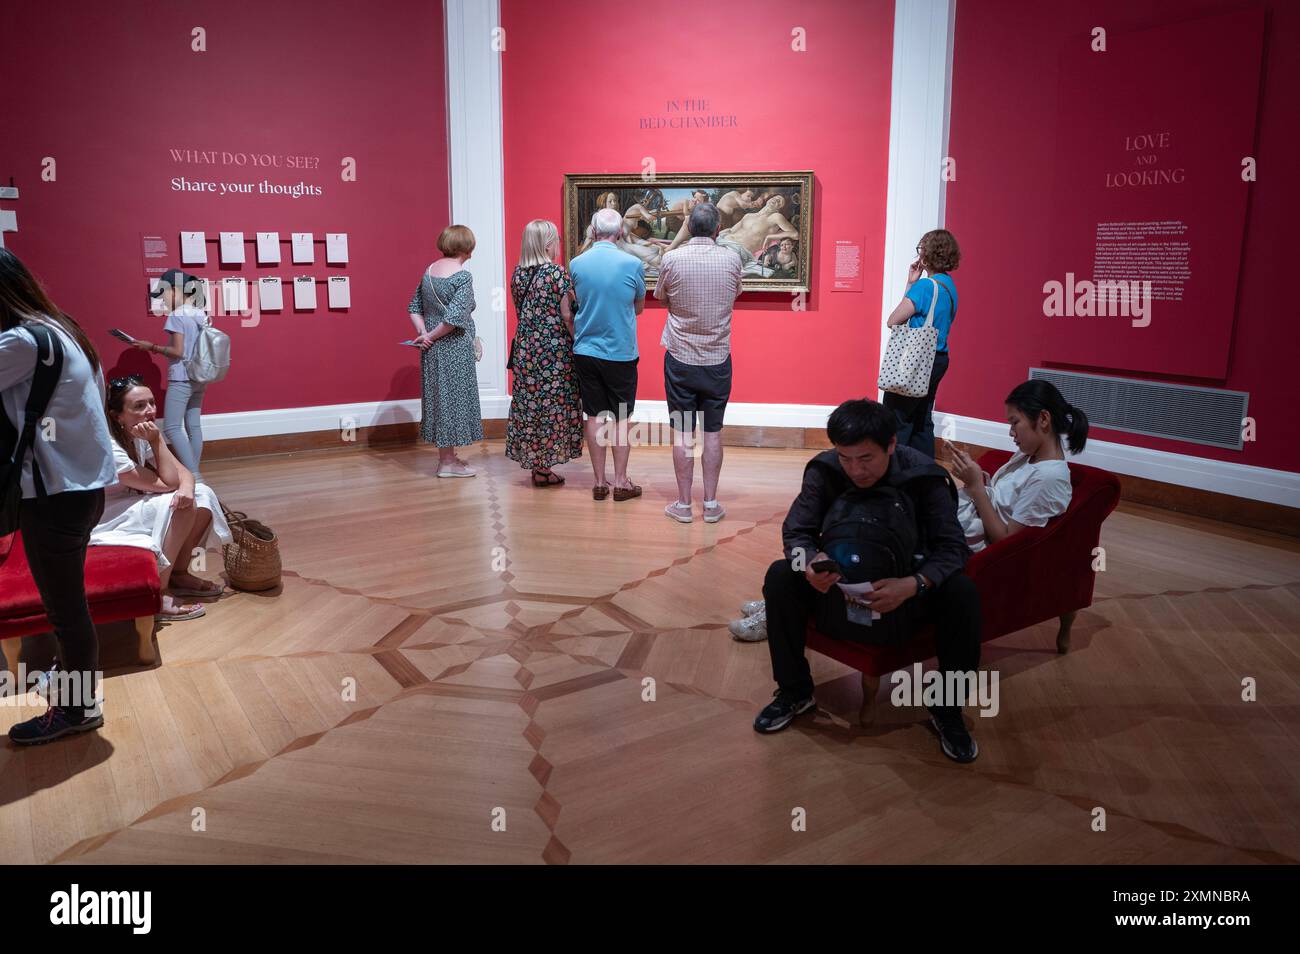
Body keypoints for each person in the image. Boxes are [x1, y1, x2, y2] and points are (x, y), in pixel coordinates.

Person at [752, 398, 982, 764]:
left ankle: (947, 709)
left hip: (905, 596)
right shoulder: (826, 471)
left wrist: (915, 584)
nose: (855, 470)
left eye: (866, 458)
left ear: (891, 444)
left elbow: (953, 550)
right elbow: (796, 533)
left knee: (962, 592)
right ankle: (795, 692)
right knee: (781, 575)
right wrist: (809, 562)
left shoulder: (924, 477)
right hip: (836, 591)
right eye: (845, 457)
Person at [0, 248, 118, 745]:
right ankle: (72, 688)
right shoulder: (62, 328)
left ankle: (78, 710)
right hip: (81, 490)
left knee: (65, 610)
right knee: (68, 604)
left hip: (52, 495)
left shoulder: (21, 342)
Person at [95, 377, 230, 618]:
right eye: (139, 406)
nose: (149, 411)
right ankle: (160, 591)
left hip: (132, 501)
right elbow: (167, 483)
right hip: (106, 514)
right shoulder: (110, 445)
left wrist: (187, 488)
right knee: (180, 505)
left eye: (151, 403)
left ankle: (179, 573)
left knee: (203, 494)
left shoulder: (138, 433)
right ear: (118, 416)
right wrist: (157, 441)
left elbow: (183, 473)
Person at [655, 202, 742, 524]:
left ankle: (682, 504)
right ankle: (710, 504)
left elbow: (661, 297)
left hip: (680, 357)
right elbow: (736, 293)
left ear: (689, 227)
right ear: (718, 229)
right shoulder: (732, 258)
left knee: (681, 432)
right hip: (717, 358)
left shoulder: (673, 258)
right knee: (713, 432)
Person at [949, 380, 1088, 551]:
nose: (1010, 432)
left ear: (1043, 419)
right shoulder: (1027, 455)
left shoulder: (1048, 477)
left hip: (966, 539)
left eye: (1015, 422)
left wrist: (976, 486)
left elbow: (1007, 542)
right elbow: (1000, 500)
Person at [568, 208, 646, 501]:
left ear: (593, 230)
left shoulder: (577, 263)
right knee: (622, 417)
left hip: (586, 350)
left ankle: (599, 482)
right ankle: (621, 481)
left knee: (594, 414)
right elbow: (638, 307)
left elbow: (576, 303)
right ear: (620, 232)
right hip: (621, 352)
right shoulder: (632, 263)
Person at [505, 219, 584, 486]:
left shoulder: (518, 274)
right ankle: (543, 467)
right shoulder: (557, 274)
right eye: (557, 240)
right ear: (548, 244)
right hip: (553, 350)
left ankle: (538, 466)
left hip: (526, 349)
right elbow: (567, 316)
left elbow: (522, 312)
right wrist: (578, 342)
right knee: (553, 405)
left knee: (531, 404)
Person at [408, 224, 484, 477]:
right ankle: (447, 464)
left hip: (431, 349)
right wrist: (430, 335)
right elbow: (454, 319)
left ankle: (448, 457)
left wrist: (423, 335)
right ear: (467, 247)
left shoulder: (429, 271)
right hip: (453, 346)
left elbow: (414, 307)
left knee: (440, 400)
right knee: (453, 401)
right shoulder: (462, 276)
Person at [882, 229, 960, 457]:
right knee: (922, 419)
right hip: (938, 359)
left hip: (915, 360)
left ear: (928, 253)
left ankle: (895, 474)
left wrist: (911, 284)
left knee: (898, 420)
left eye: (921, 249)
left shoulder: (926, 287)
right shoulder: (949, 285)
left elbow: (893, 320)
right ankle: (923, 473)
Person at [130, 267, 211, 480]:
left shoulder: (177, 315)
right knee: (193, 425)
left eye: (163, 294)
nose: (163, 301)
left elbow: (178, 351)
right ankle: (194, 473)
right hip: (200, 377)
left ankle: (193, 475)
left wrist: (151, 347)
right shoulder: (199, 313)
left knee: (172, 427)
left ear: (174, 290)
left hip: (182, 376)